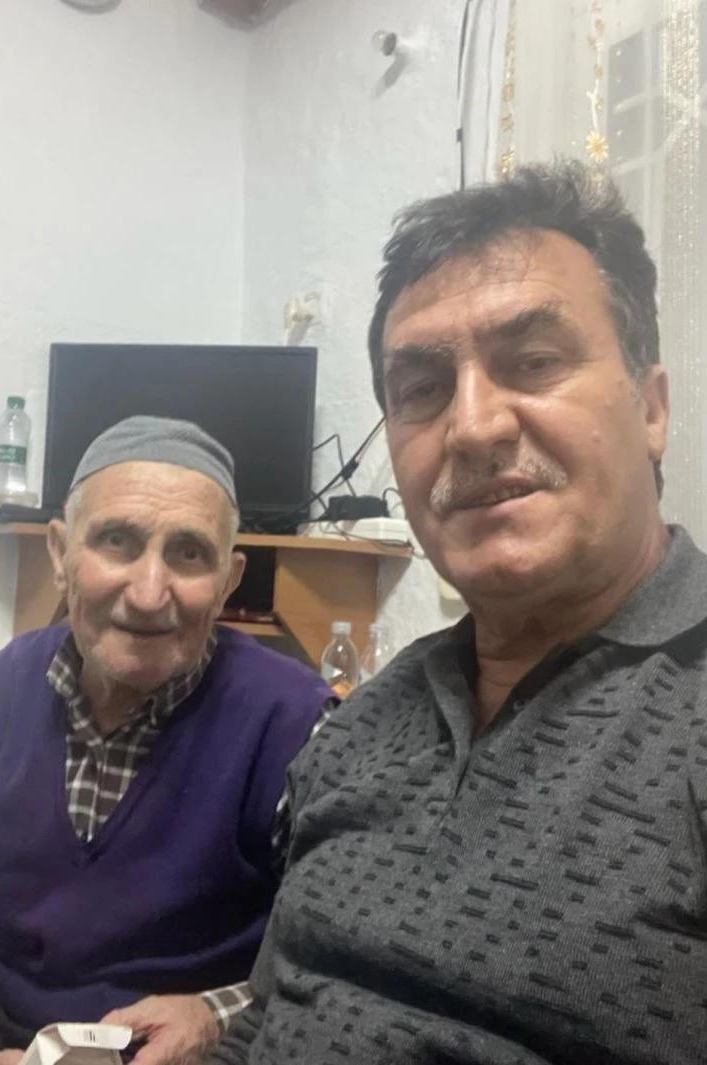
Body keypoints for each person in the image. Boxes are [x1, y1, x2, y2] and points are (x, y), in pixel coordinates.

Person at [208, 161, 707, 1065]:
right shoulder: (355, 728)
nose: (472, 426)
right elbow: (272, 1015)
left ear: (651, 408)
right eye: (423, 388)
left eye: (535, 362)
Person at [0, 416, 333, 1065]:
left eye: (189, 553)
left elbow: (334, 965)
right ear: (59, 554)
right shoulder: (10, 684)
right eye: (116, 541)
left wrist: (215, 1016)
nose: (149, 592)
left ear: (228, 580)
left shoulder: (296, 722)